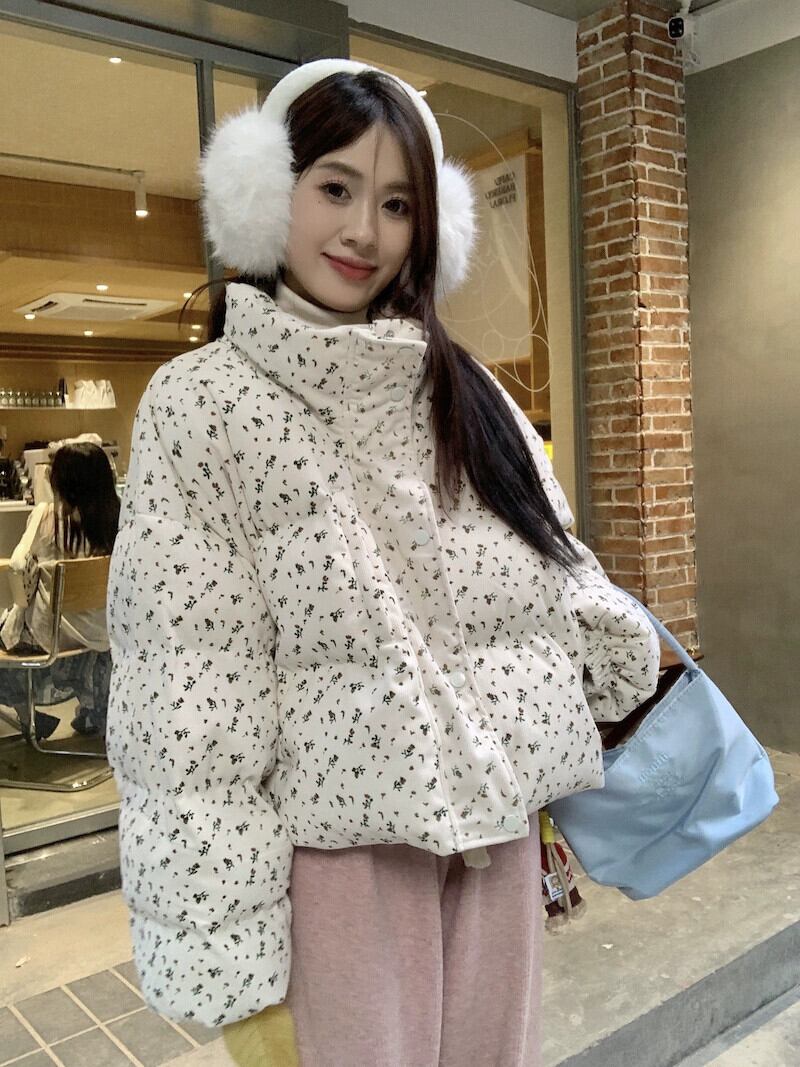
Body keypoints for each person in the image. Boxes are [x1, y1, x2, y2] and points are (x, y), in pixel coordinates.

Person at [106, 59, 661, 1067]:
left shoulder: (469, 390)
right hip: (338, 859)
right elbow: (190, 703)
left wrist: (588, 639)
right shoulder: (203, 403)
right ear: (266, 190)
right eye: (335, 187)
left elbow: (558, 569)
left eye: (397, 202)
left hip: (494, 841)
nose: (364, 230)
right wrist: (230, 952)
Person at [0, 440, 119, 741]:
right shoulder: (118, 522)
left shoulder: (46, 517)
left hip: (51, 636)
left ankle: (28, 717)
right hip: (102, 635)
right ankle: (92, 712)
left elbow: (18, 566)